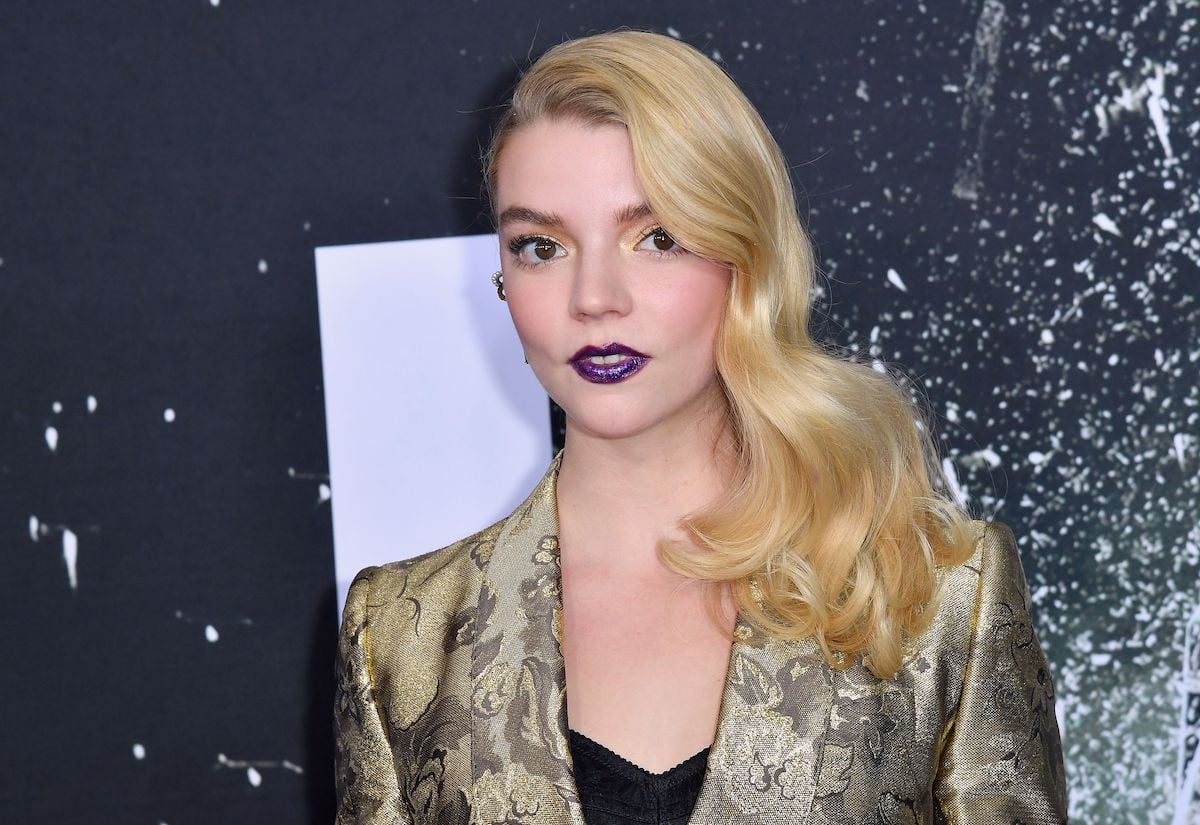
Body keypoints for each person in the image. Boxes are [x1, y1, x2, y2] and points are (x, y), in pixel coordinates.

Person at [333, 30, 1067, 825]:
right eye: (542, 246)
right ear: (503, 278)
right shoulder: (401, 637)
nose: (595, 297)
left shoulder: (937, 594)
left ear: (745, 259)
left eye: (658, 238)